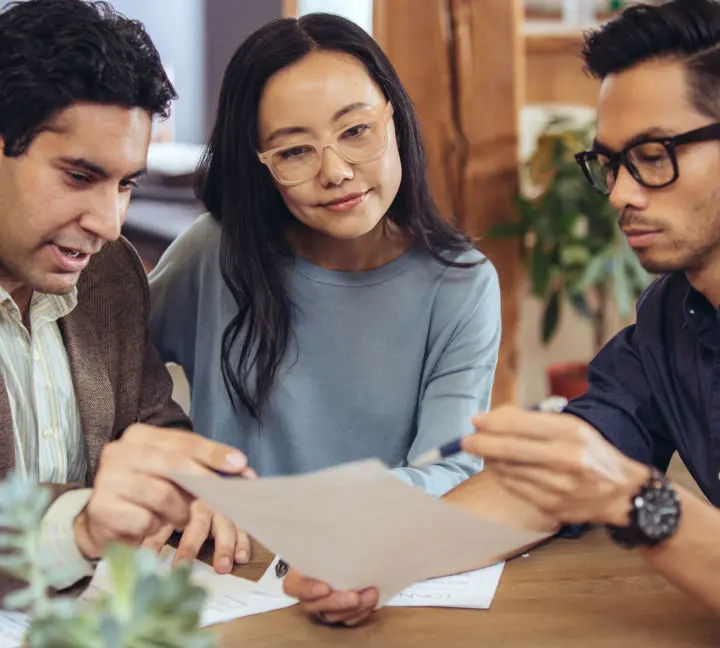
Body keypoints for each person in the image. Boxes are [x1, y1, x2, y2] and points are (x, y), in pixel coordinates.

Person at [284, 0, 720, 624]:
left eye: (653, 155)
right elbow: (549, 484)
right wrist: (381, 554)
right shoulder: (669, 319)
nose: (622, 193)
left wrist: (637, 500)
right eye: (613, 163)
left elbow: (612, 486)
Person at [149, 14, 500, 497]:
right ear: (260, 165)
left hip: (377, 555)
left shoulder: (462, 283)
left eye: (356, 130)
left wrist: (316, 520)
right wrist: (174, 455)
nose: (335, 172)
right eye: (294, 151)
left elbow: (451, 467)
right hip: (229, 560)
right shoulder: (214, 252)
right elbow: (107, 363)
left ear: (395, 117)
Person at [0, 0, 254, 600]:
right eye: (79, 177)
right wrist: (83, 526)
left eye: (126, 184)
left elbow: (150, 423)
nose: (110, 224)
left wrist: (193, 492)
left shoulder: (107, 274)